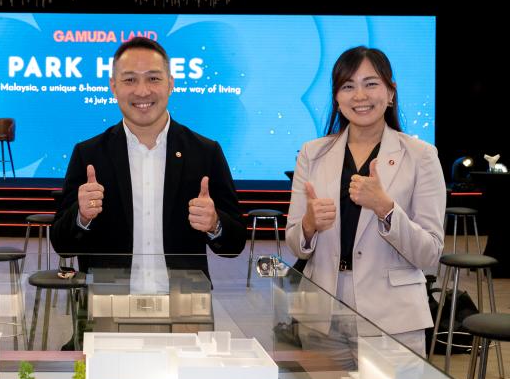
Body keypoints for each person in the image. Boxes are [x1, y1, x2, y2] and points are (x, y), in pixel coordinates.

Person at [285, 47, 444, 360]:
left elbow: (430, 253)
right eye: (348, 86)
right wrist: (308, 225)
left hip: (393, 322)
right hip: (322, 317)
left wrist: (386, 209)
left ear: (390, 92)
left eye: (371, 83)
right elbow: (294, 244)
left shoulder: (421, 156)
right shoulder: (312, 153)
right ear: (337, 97)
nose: (360, 95)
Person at [51, 37, 246, 284]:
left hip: (184, 308)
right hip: (107, 306)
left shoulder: (205, 152)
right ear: (113, 86)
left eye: (153, 78)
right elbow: (61, 245)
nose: (142, 91)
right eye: (130, 79)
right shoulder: (89, 155)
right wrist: (82, 216)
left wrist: (214, 224)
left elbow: (234, 244)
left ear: (171, 83)